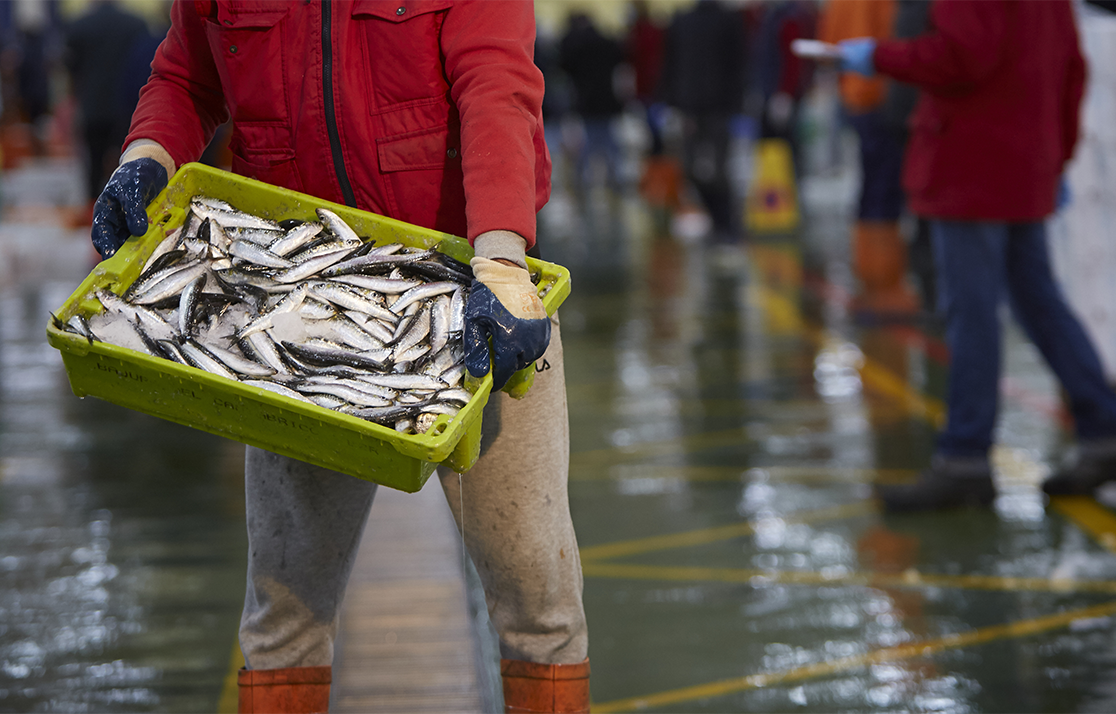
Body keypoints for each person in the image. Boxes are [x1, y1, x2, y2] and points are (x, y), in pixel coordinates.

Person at [89, 0, 590, 711]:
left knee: (540, 606)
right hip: (299, 306)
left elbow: (496, 83)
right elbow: (186, 75)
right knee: (283, 620)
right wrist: (149, 153)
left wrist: (504, 258)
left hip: (474, 296)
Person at [836, 0, 1116, 510]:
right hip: (1024, 165)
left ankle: (965, 459)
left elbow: (961, 56)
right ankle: (1103, 430)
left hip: (971, 167)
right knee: (1039, 303)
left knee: (971, 315)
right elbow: (1071, 66)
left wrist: (880, 57)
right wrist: (1057, 156)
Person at [820, 0, 918, 317]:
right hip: (883, 97)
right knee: (885, 188)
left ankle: (871, 279)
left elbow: (828, 45)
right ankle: (885, 284)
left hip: (855, 97)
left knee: (871, 186)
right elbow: (900, 38)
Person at [659, 0, 747, 244]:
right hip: (705, 107)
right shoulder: (691, 21)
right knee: (705, 169)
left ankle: (726, 226)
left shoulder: (698, 21)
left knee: (710, 169)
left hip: (705, 107)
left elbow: (736, 63)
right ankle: (723, 223)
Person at [63, 0, 149, 206]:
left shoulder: (80, 26)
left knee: (93, 164)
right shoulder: (136, 24)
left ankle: (93, 215)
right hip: (129, 108)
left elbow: (71, 69)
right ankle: (129, 211)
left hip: (93, 107)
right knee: (129, 162)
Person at [559, 12, 626, 193]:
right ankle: (616, 178)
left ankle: (582, 179)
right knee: (609, 141)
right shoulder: (607, 43)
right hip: (607, 100)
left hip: (585, 101)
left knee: (588, 142)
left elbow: (564, 66)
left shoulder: (575, 45)